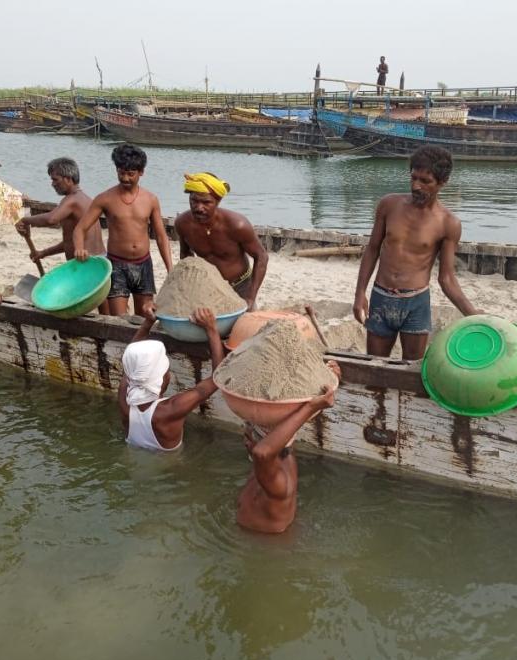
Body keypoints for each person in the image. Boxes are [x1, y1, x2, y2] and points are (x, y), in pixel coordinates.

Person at [353, 146, 479, 361]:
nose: (416, 186)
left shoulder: (448, 224)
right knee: (375, 368)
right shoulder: (389, 205)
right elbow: (372, 249)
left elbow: (447, 278)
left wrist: (473, 315)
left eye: (425, 181)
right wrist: (360, 293)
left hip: (416, 303)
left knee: (411, 372)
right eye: (413, 178)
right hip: (381, 299)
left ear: (442, 182)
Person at [237, 361, 341, 534]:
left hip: (265, 550)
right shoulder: (269, 464)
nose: (246, 441)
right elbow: (288, 427)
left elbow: (262, 453)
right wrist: (329, 383)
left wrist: (311, 407)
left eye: (249, 437)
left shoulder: (279, 481)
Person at [73, 144, 172, 317]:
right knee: (118, 320)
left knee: (145, 317)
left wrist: (170, 268)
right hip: (117, 265)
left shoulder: (151, 199)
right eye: (121, 172)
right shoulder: (105, 198)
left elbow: (162, 237)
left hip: (144, 265)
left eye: (130, 174)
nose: (125, 178)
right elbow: (80, 229)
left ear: (141, 172)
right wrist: (79, 248)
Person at [118, 308, 225, 452]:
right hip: (169, 466)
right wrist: (211, 328)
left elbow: (132, 361)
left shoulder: (125, 400)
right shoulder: (171, 409)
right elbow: (217, 378)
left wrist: (148, 323)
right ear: (161, 379)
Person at [15, 158, 108, 314]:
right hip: (97, 260)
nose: (52, 184)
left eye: (55, 179)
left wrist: (26, 220)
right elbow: (69, 241)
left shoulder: (72, 200)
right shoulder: (84, 199)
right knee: (102, 304)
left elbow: (52, 219)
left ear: (68, 179)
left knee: (84, 307)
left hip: (85, 263)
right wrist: (43, 253)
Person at [174, 172, 268, 310]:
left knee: (246, 327)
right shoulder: (183, 223)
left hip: (240, 285)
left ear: (217, 202)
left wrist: (251, 297)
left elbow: (261, 256)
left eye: (206, 202)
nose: (199, 208)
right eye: (194, 201)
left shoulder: (237, 225)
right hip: (206, 287)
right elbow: (186, 256)